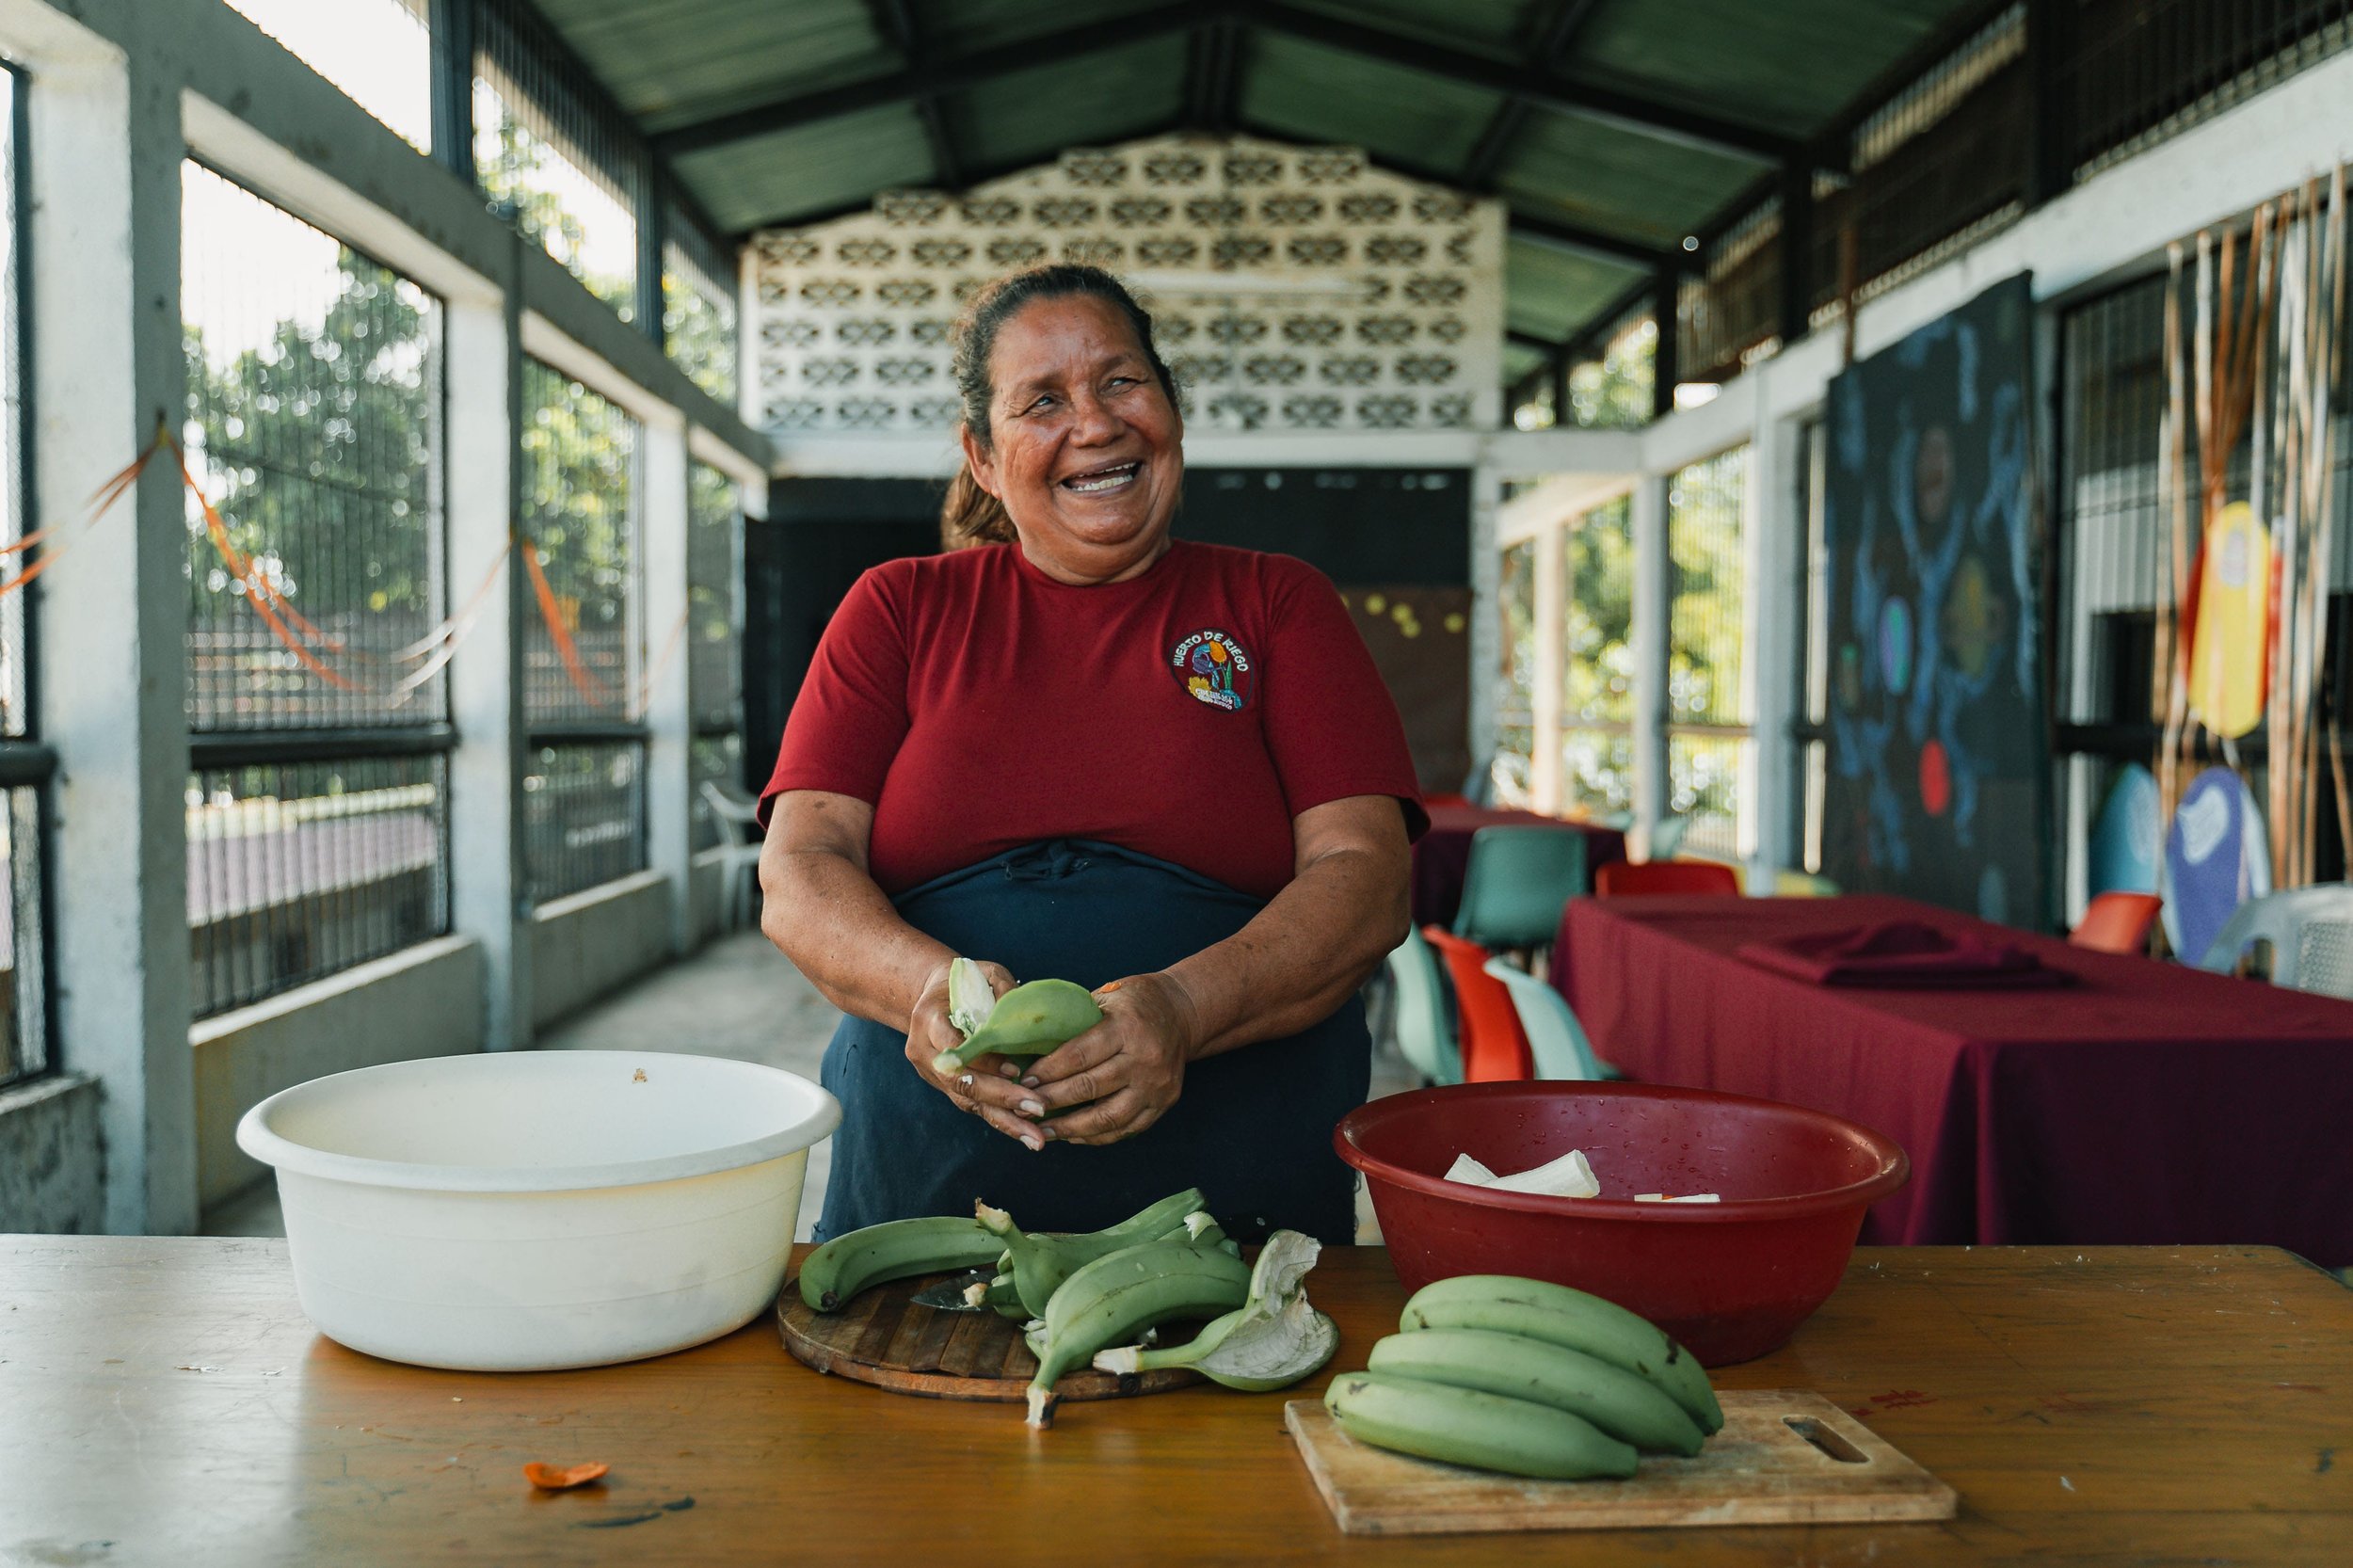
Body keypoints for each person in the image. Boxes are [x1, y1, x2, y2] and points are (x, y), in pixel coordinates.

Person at [758, 264, 1424, 1243]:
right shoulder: (898, 608)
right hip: (933, 1166)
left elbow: (1367, 877)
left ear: (1171, 411)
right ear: (982, 457)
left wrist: (1183, 1008)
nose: (1096, 424)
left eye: (1121, 382)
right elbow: (800, 869)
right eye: (1043, 401)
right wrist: (929, 990)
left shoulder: (1277, 604)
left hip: (1238, 1162)